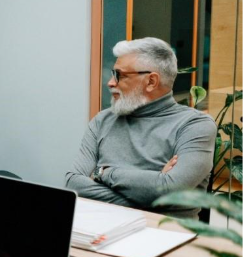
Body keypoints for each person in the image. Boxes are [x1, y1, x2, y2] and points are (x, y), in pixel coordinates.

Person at [65, 38, 216, 218]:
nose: (111, 83)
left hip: (168, 236)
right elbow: (74, 183)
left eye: (119, 75)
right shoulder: (103, 120)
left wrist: (102, 173)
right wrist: (153, 190)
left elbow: (172, 191)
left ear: (151, 81)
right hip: (101, 230)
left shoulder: (194, 125)